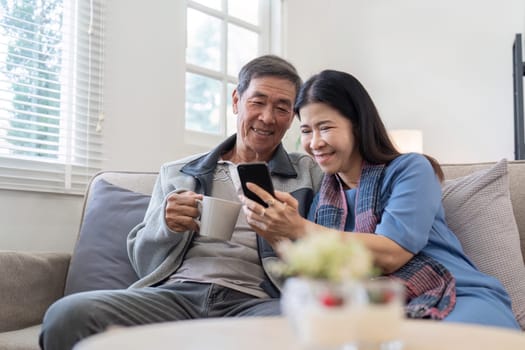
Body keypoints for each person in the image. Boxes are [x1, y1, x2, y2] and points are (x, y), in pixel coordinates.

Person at [39, 55, 323, 350]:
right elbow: (143, 263)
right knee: (68, 314)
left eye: (282, 108)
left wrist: (291, 231)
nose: (267, 117)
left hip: (258, 301)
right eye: (258, 102)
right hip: (176, 296)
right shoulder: (177, 173)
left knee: (311, 328)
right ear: (237, 100)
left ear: (292, 117)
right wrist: (166, 226)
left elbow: (327, 257)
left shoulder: (308, 173)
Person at [240, 69, 520, 329]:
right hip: (376, 307)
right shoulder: (325, 197)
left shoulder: (411, 169)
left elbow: (391, 253)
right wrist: (276, 233)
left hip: (456, 295)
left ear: (358, 126)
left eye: (325, 127)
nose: (315, 142)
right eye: (306, 131)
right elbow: (317, 280)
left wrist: (299, 228)